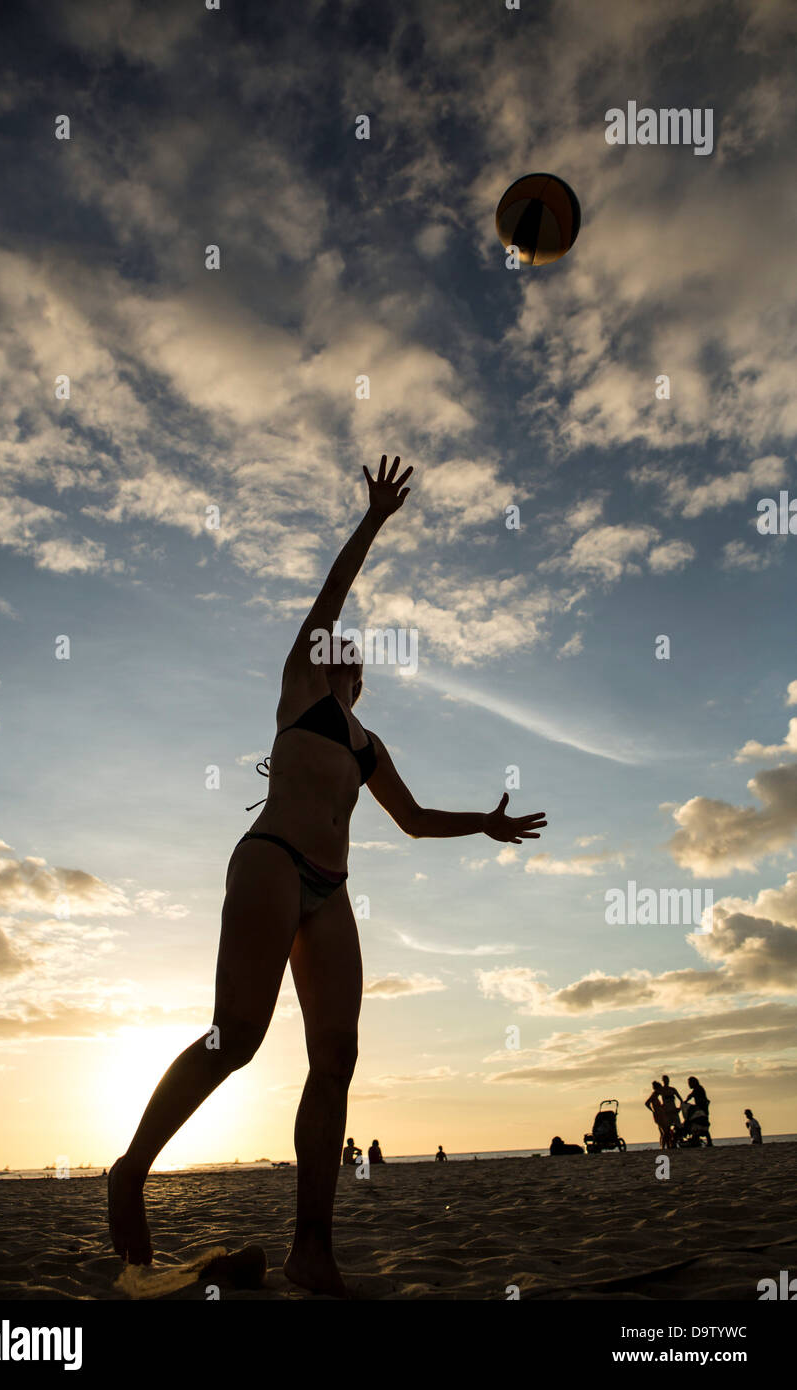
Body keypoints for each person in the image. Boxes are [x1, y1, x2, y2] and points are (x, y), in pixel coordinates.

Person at [107, 457, 548, 1296]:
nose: (337, 647)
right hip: (271, 863)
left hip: (330, 891)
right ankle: (131, 1169)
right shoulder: (300, 689)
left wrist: (486, 823)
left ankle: (313, 1246)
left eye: (347, 655)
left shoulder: (366, 743)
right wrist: (376, 518)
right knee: (235, 1038)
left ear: (359, 676)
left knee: (336, 1057)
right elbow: (333, 590)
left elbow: (412, 820)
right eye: (332, 642)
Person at [685, 1076, 713, 1146]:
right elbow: (691, 1095)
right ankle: (700, 1141)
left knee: (701, 1124)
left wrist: (685, 1102)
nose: (689, 1085)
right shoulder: (698, 1088)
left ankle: (707, 1141)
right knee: (701, 1125)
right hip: (703, 1109)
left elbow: (691, 1096)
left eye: (689, 1083)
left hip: (702, 1109)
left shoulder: (698, 1088)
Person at [645, 1080, 671, 1149]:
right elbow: (647, 1103)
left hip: (661, 1114)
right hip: (659, 1115)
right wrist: (653, 1111)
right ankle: (663, 1146)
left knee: (664, 1131)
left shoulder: (656, 1096)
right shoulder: (654, 1095)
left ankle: (667, 1145)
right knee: (665, 1131)